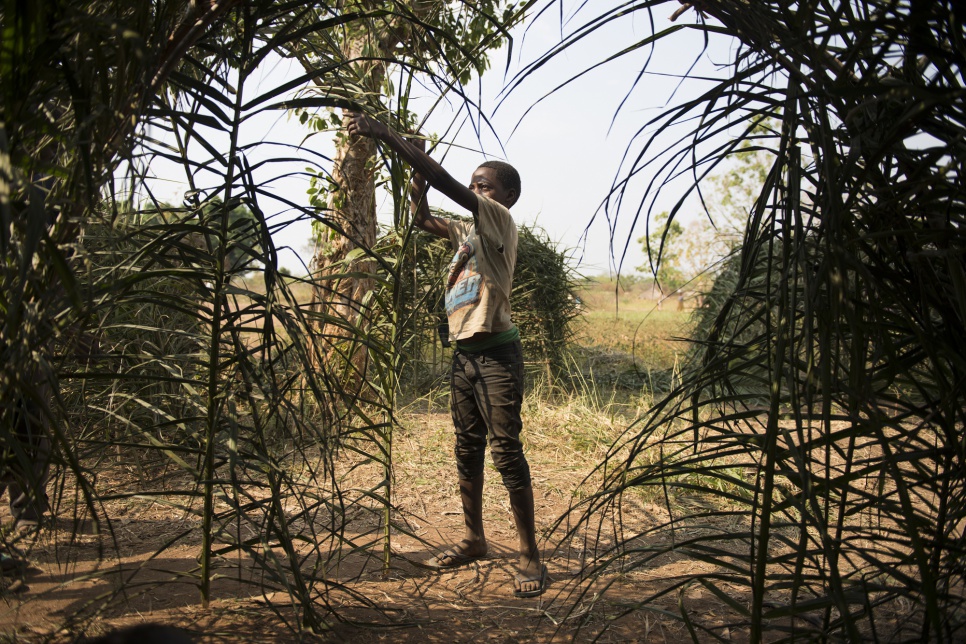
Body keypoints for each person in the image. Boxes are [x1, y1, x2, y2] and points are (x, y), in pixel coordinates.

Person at [345, 112, 547, 598]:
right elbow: (418, 219)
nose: (478, 191)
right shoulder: (466, 232)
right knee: (466, 447)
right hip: (465, 356)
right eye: (476, 184)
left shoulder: (498, 221)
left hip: (497, 356)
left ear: (507, 198)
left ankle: (529, 556)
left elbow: (447, 183)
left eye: (486, 186)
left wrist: (388, 135)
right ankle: (474, 539)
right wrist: (415, 179)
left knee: (506, 451)